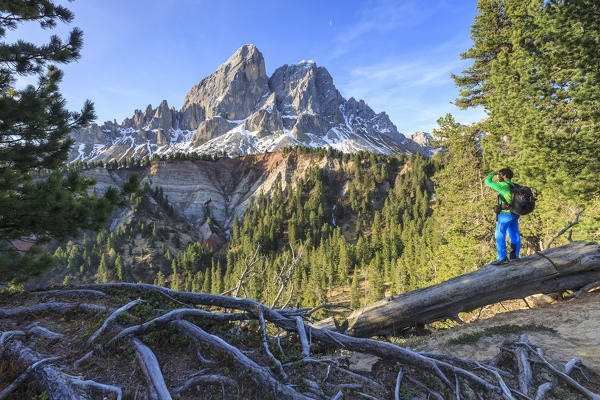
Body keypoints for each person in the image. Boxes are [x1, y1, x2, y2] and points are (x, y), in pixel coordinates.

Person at [485, 168, 520, 265]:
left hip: (505, 214)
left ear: (504, 175)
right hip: (515, 213)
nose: (498, 177)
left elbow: (487, 182)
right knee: (514, 234)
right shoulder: (513, 185)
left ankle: (502, 258)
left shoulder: (502, 185)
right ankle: (514, 256)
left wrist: (491, 174)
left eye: (499, 175)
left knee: (499, 234)